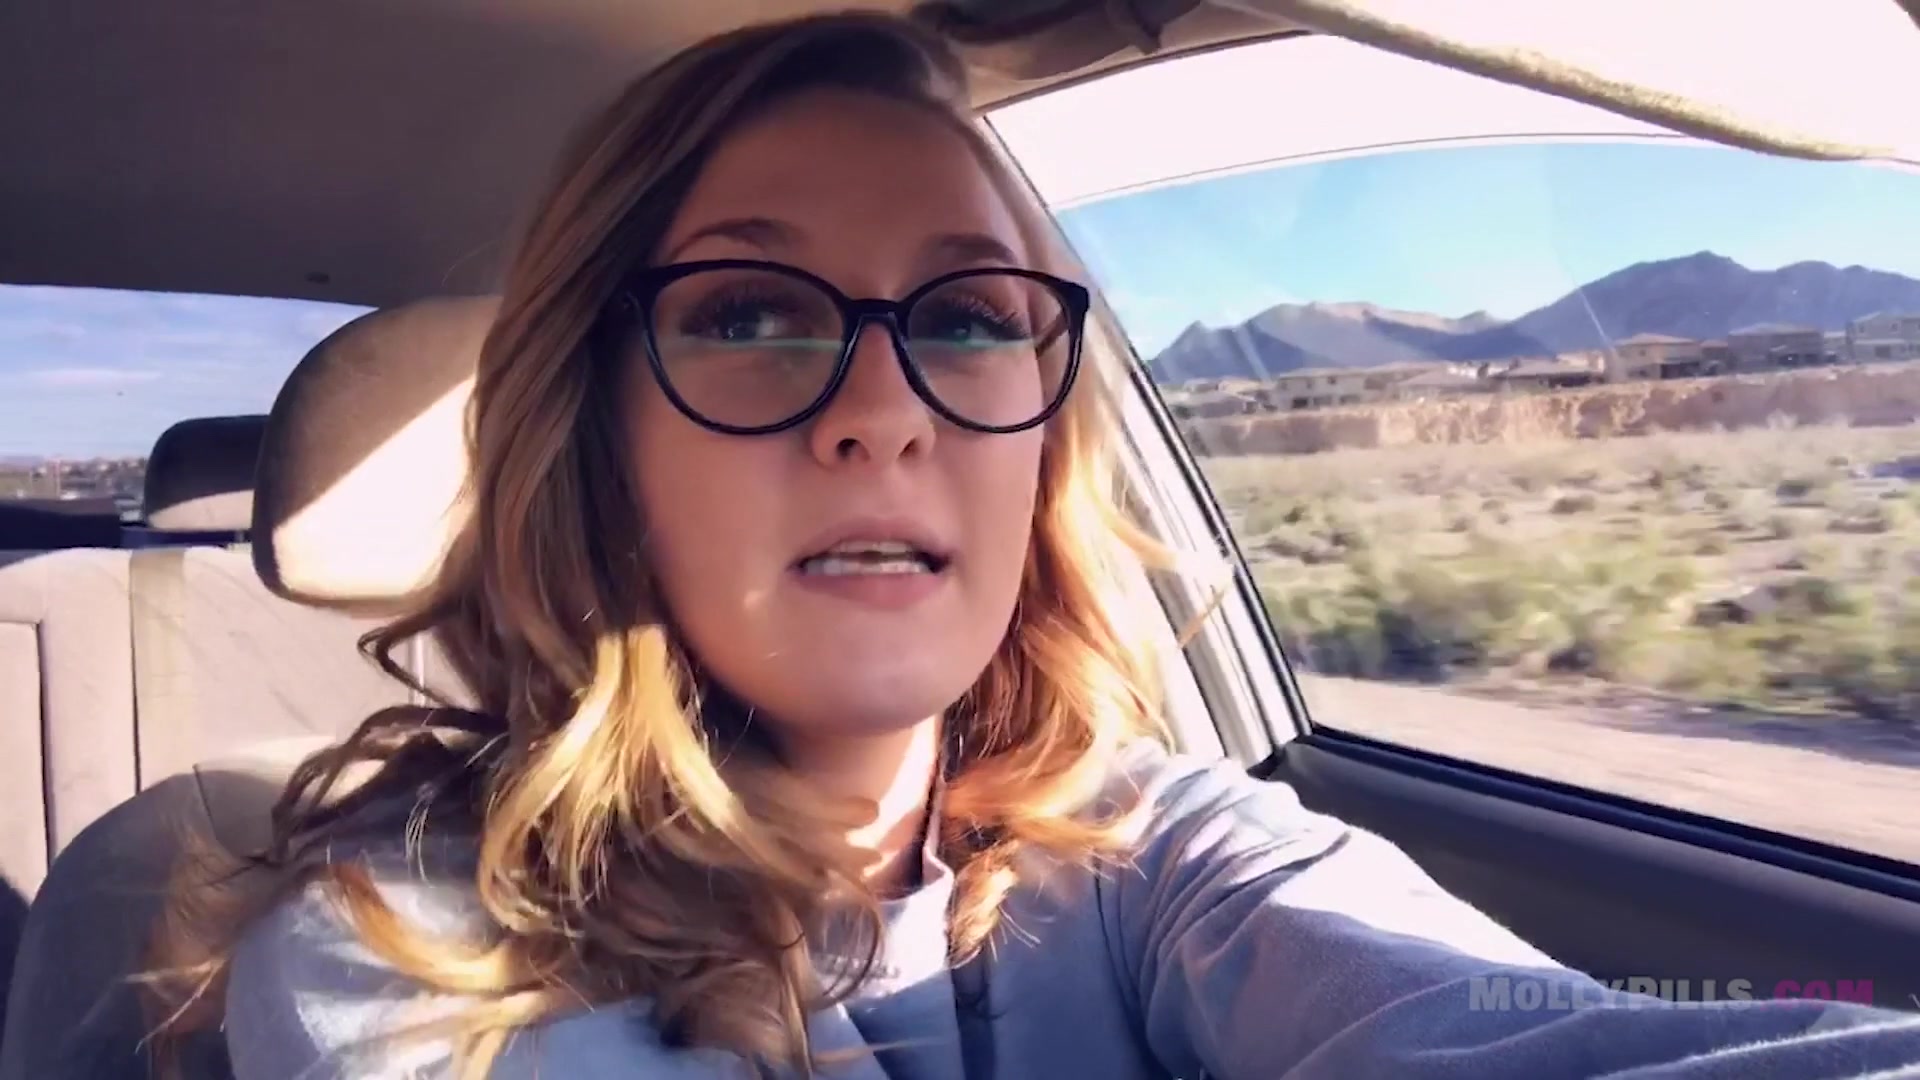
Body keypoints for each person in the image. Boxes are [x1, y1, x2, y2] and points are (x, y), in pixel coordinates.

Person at [141, 11, 1920, 1079]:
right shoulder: (403, 950)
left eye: (972, 317)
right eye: (752, 314)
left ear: (1043, 438)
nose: (885, 409)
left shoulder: (1155, 850)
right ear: (595, 434)